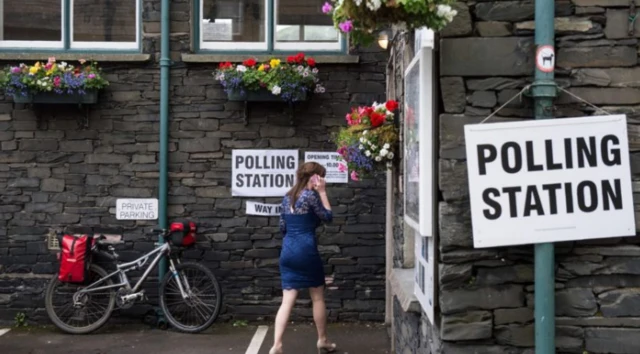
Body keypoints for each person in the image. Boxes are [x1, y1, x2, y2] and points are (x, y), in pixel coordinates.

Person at [270, 162, 337, 354]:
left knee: (286, 300)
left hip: (288, 251)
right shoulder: (310, 196)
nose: (323, 180)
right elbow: (328, 217)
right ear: (314, 177)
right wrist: (323, 192)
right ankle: (322, 340)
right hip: (306, 251)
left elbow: (282, 227)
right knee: (317, 297)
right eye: (321, 176)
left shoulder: (287, 197)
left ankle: (277, 345)